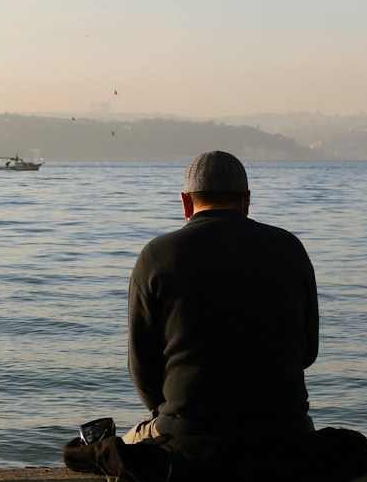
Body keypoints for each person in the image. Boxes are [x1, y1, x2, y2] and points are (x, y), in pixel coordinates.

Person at [123, 150, 318, 443]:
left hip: (186, 432)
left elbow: (142, 367)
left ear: (185, 202)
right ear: (246, 201)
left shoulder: (157, 255)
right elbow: (307, 352)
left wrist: (170, 413)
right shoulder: (289, 248)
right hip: (285, 432)